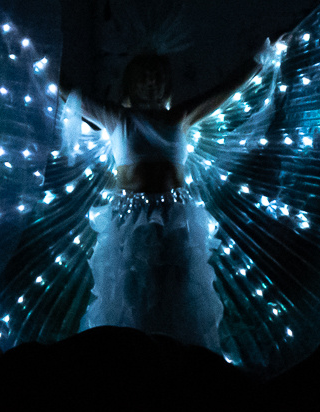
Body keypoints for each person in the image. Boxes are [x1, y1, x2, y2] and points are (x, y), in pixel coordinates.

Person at [63, 42, 278, 353]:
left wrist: (264, 56)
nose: (151, 82)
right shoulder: (118, 118)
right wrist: (34, 59)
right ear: (131, 83)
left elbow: (225, 89)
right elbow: (72, 94)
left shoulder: (180, 116)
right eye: (144, 77)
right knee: (131, 294)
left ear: (167, 84)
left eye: (158, 77)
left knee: (177, 294)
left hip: (174, 217)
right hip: (131, 219)